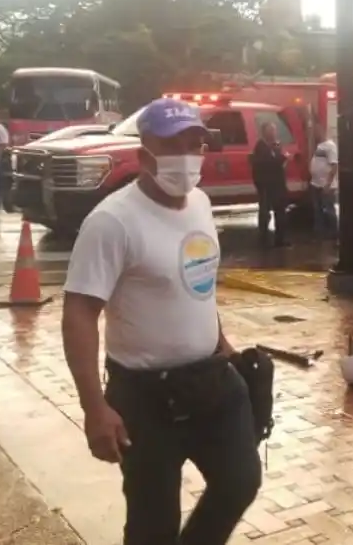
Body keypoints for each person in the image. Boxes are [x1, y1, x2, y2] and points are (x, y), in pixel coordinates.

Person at [60, 98, 261, 545]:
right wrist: (95, 407)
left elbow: (199, 284)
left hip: (212, 381)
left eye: (197, 144)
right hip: (145, 400)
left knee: (240, 481)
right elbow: (79, 313)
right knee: (154, 526)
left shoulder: (202, 203)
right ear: (146, 154)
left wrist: (223, 345)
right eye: (175, 145)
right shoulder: (113, 221)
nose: (189, 156)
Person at [249, 122, 288, 248]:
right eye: (270, 130)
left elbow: (278, 163)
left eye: (274, 130)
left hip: (278, 185)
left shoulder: (275, 145)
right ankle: (263, 239)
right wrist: (282, 158)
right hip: (266, 185)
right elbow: (265, 164)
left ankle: (280, 239)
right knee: (265, 212)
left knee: (280, 212)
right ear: (264, 132)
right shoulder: (261, 147)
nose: (273, 132)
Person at [309, 127, 338, 238]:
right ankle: (319, 232)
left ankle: (334, 233)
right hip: (316, 183)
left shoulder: (330, 146)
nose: (315, 134)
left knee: (329, 209)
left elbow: (334, 165)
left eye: (317, 132)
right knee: (318, 210)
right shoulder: (319, 146)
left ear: (323, 132)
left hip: (325, 185)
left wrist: (328, 183)